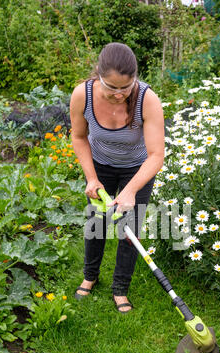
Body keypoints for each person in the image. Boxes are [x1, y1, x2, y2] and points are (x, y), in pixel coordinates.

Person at [70, 42, 164, 313]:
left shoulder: (147, 99)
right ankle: (90, 276)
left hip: (138, 166)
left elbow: (156, 154)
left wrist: (131, 190)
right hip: (101, 164)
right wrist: (91, 178)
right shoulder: (82, 95)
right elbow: (78, 136)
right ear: (98, 75)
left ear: (135, 77)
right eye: (112, 88)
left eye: (126, 86)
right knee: (96, 222)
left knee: (128, 230)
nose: (119, 94)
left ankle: (120, 288)